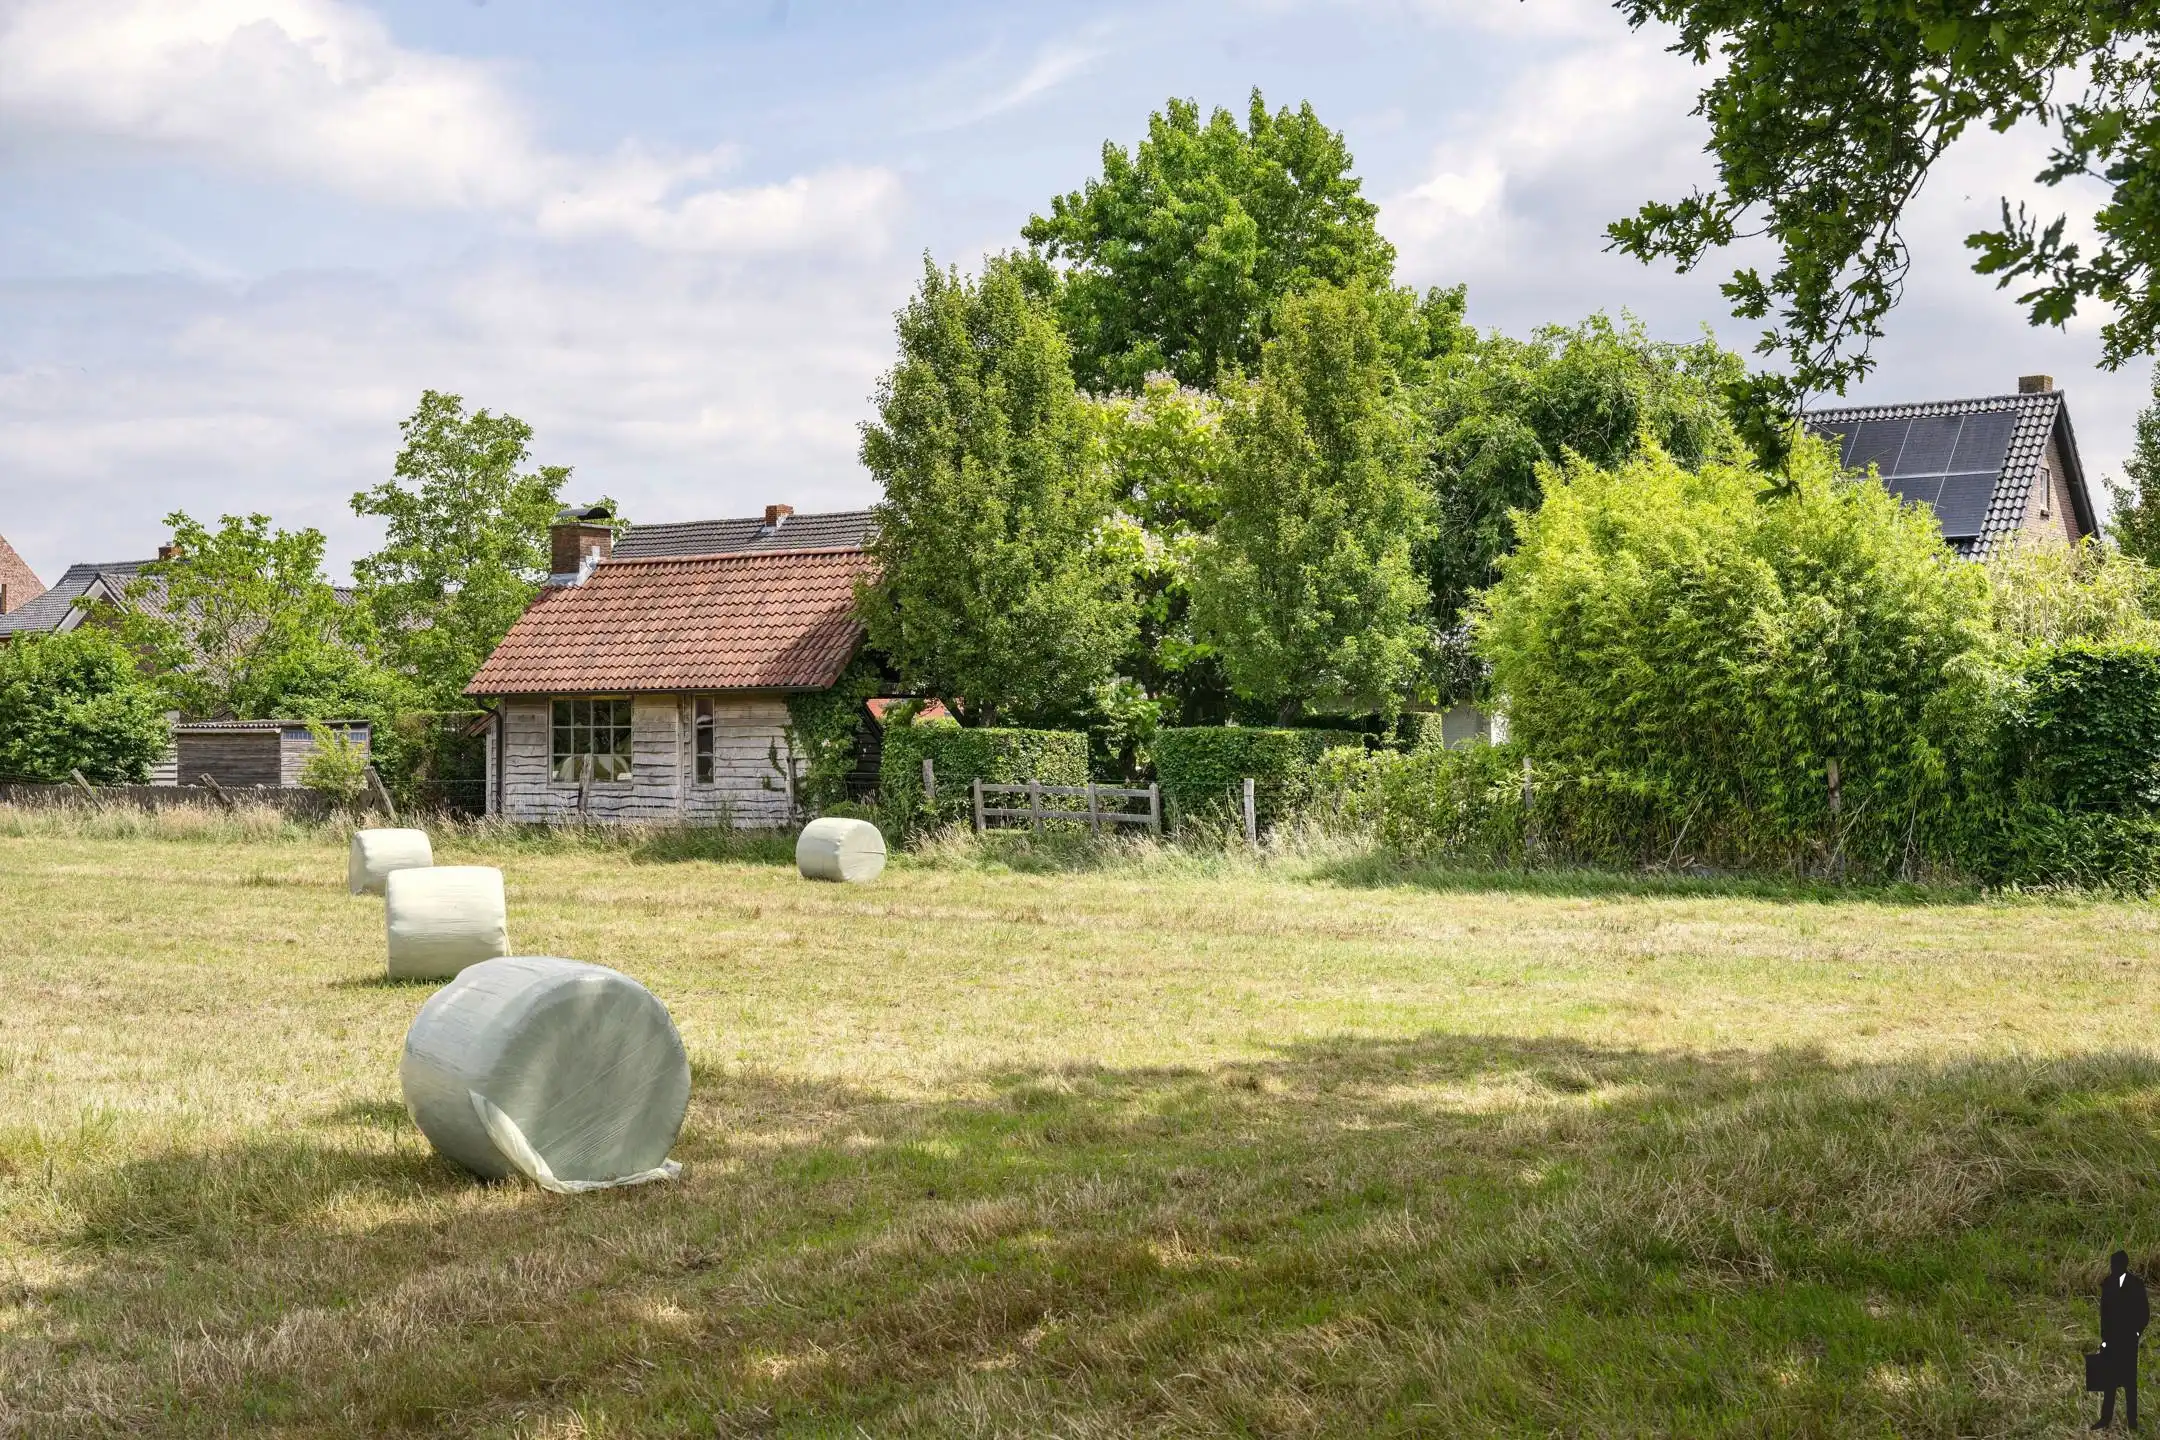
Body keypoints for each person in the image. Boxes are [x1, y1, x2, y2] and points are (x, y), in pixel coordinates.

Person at [2099, 1249, 2150, 1430]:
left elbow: (2144, 1312)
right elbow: (2103, 1314)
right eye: (2112, 1264)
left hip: (2129, 1340)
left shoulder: (2136, 1284)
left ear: (2123, 1265)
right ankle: (2105, 1419)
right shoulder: (2107, 1283)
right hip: (2111, 1340)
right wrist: (2104, 1339)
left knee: (2130, 1382)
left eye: (2116, 1264)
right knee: (2109, 1381)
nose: (2114, 1268)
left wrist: (2137, 1333)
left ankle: (2132, 1422)